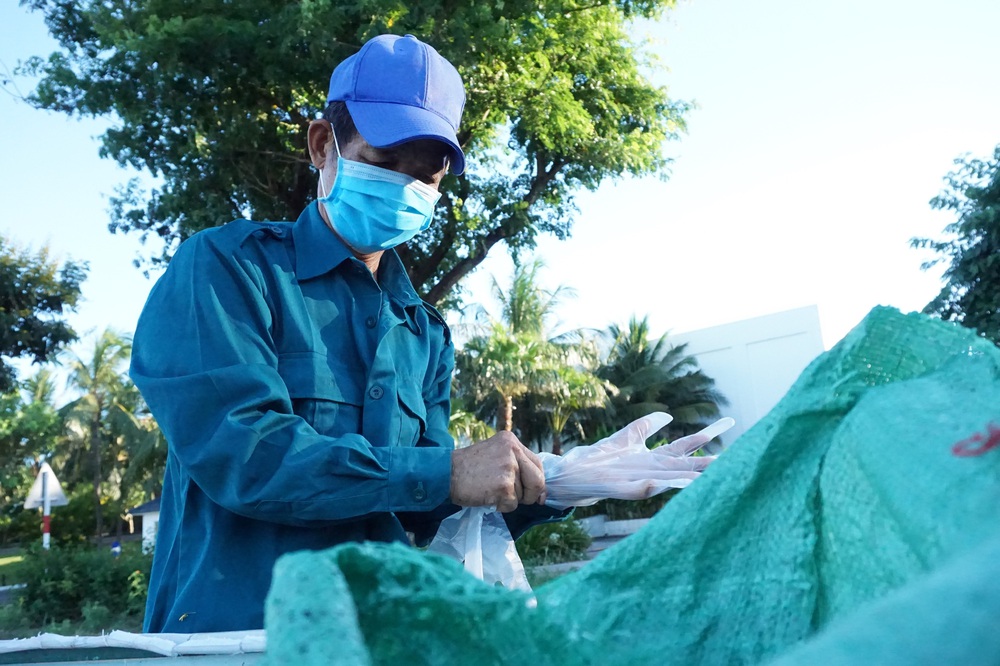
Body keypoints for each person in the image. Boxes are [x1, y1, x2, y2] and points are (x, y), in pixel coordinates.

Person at [130, 33, 562, 634]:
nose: (405, 191)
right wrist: (442, 472)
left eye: (427, 178)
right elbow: (246, 455)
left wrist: (556, 485)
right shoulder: (228, 269)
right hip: (234, 639)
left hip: (373, 638)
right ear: (321, 144)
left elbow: (427, 510)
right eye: (385, 163)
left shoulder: (424, 332)